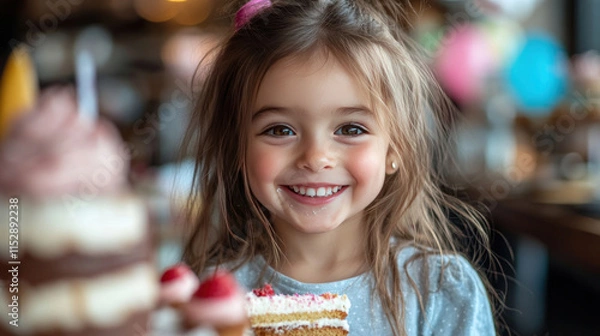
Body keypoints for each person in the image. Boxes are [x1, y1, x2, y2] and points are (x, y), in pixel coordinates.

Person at [181, 0, 497, 335]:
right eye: (280, 130)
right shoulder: (210, 297)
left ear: (395, 148)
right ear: (236, 147)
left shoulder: (440, 290)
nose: (316, 157)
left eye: (351, 129)